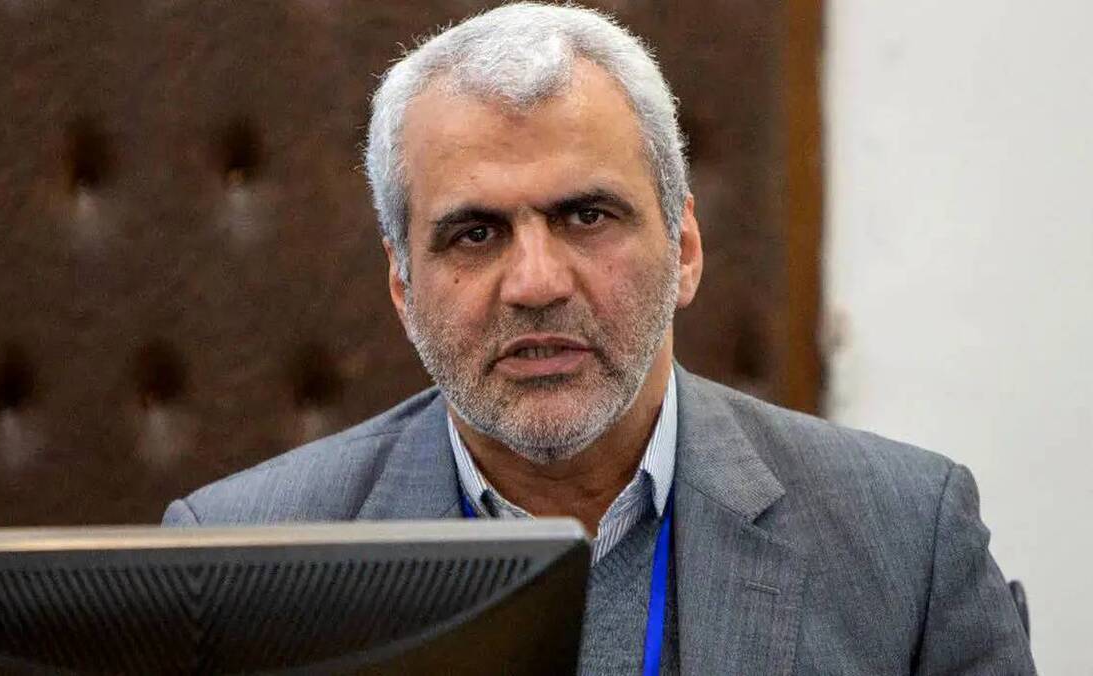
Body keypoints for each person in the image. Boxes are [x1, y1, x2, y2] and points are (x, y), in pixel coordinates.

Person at [163, 3, 1035, 673]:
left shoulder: (907, 541)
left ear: (685, 249)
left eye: (586, 216)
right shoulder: (238, 564)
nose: (536, 283)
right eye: (475, 233)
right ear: (402, 287)